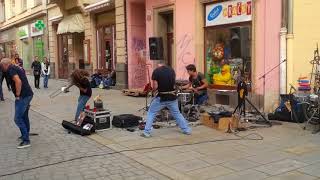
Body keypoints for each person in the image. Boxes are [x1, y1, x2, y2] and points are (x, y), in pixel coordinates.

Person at [141, 64, 191, 138]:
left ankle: (146, 132)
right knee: (177, 113)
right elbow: (174, 84)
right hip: (172, 97)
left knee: (151, 112)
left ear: (158, 66)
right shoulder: (171, 71)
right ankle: (186, 130)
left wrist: (153, 91)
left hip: (161, 97)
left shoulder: (156, 71)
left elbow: (155, 86)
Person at [0, 58, 34, 149]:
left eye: (1, 66)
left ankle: (26, 141)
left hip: (23, 96)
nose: (1, 68)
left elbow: (18, 81)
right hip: (28, 94)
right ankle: (25, 135)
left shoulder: (11, 69)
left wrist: (18, 95)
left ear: (5, 65)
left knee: (17, 118)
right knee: (24, 116)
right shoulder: (14, 67)